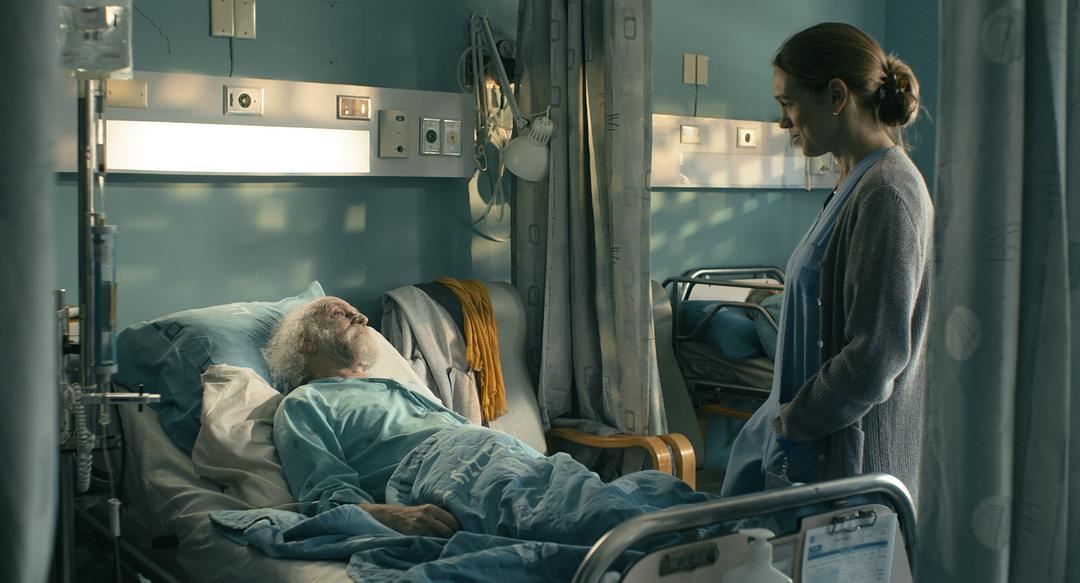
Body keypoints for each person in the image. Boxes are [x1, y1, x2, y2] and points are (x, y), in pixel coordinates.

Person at [261, 296, 714, 545]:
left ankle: (707, 533)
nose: (360, 317)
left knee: (613, 493)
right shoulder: (304, 404)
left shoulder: (395, 386)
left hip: (497, 450)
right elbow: (324, 494)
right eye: (341, 313)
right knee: (577, 518)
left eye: (357, 313)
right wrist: (393, 515)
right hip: (438, 468)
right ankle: (701, 546)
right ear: (306, 342)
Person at [721, 22, 933, 500]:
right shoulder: (853, 184)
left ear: (836, 95)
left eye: (789, 103)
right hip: (814, 448)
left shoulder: (888, 193)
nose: (783, 122)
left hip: (852, 465)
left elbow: (874, 359)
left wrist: (791, 423)